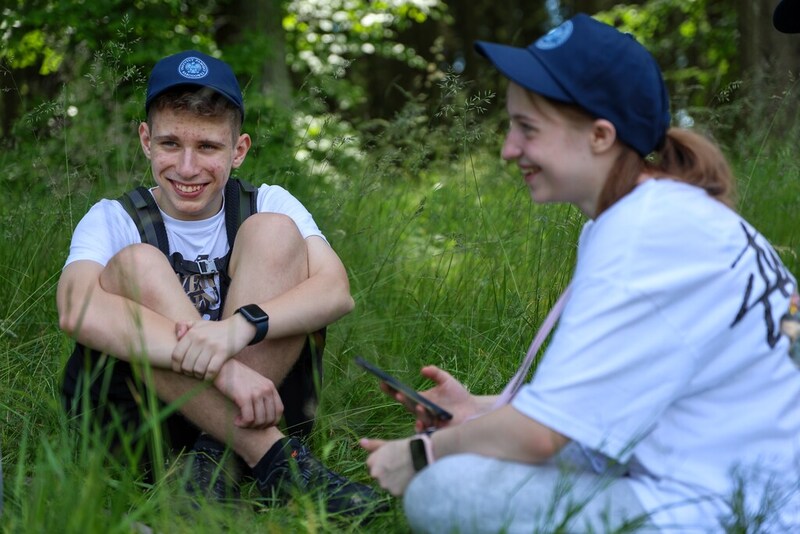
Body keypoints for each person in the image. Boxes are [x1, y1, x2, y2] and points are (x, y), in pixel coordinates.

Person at [360, 13, 800, 533]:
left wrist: (420, 454)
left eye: (528, 129)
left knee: (443, 488)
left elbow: (543, 436)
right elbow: (604, 396)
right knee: (472, 458)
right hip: (719, 481)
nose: (508, 149)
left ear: (600, 135)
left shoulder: (645, 233)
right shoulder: (650, 215)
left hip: (735, 511)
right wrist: (482, 411)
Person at [57, 49, 383, 516]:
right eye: (171, 144)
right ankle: (277, 461)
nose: (187, 168)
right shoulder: (112, 218)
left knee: (274, 233)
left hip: (258, 405)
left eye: (208, 147)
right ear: (146, 140)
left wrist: (241, 327)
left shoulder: (269, 202)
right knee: (138, 265)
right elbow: (76, 308)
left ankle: (215, 462)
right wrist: (224, 370)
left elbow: (335, 292)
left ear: (240, 149)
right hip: (140, 431)